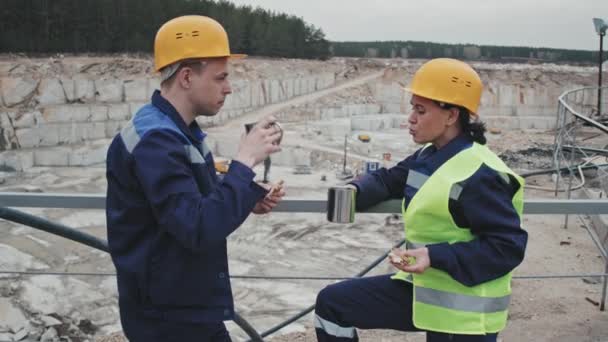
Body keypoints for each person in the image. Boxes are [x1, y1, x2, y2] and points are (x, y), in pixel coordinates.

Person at [314, 58, 528, 342]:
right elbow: (390, 180)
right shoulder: (428, 156)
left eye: (420, 110)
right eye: (412, 109)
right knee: (333, 304)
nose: (411, 119)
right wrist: (354, 191)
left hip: (463, 315)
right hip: (427, 289)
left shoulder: (479, 172)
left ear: (451, 116)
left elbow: (507, 248)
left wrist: (433, 256)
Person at [105, 15, 285, 341]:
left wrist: (247, 194)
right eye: (220, 78)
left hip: (183, 304)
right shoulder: (156, 141)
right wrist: (244, 161)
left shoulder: (177, 131)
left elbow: (196, 198)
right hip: (166, 317)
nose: (228, 88)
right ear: (187, 76)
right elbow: (198, 227)